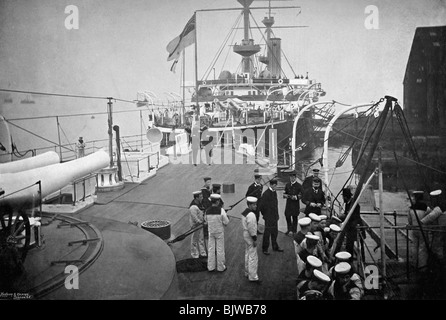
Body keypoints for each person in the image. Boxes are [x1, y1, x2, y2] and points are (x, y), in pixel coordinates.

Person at [259, 179, 284, 255]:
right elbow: (261, 206)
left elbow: (275, 205)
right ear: (273, 185)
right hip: (268, 218)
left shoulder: (274, 192)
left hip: (274, 217)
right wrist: (266, 215)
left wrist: (277, 215)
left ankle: (275, 246)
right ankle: (265, 248)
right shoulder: (266, 194)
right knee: (267, 233)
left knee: (275, 232)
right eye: (276, 186)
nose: (276, 187)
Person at [205, 194, 229, 272]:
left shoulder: (207, 211)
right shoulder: (221, 210)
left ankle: (210, 267)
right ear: (218, 201)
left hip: (211, 232)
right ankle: (221, 267)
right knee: (220, 249)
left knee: (211, 249)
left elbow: (205, 220)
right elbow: (226, 222)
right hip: (219, 232)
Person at [241, 196, 261, 283]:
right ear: (250, 205)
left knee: (247, 253)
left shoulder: (244, 212)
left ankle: (247, 271)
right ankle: (253, 276)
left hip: (245, 234)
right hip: (250, 235)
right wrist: (255, 239)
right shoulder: (251, 215)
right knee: (253, 256)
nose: (256, 206)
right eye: (254, 205)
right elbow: (252, 228)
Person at [407, 190, 429, 270]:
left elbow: (409, 221)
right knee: (422, 247)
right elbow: (429, 219)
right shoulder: (426, 208)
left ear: (415, 198)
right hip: (423, 229)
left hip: (414, 229)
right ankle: (422, 266)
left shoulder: (411, 208)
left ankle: (414, 264)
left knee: (414, 246)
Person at [342, 187, 362, 256]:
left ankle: (349, 257)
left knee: (350, 242)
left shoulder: (354, 204)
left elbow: (356, 217)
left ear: (345, 197)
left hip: (355, 226)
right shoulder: (348, 203)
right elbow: (346, 213)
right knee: (348, 243)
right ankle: (348, 254)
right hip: (350, 225)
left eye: (343, 197)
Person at [283, 170, 303, 236]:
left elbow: (301, 195)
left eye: (293, 177)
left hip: (295, 204)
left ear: (295, 177)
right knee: (287, 216)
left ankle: (294, 231)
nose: (292, 178)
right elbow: (284, 193)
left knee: (295, 217)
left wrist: (296, 197)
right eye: (290, 177)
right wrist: (285, 195)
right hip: (288, 204)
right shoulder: (287, 185)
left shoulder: (299, 186)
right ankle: (289, 230)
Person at [189, 190, 207, 259]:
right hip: (195, 226)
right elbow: (195, 218)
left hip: (200, 225)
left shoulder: (200, 204)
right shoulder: (193, 207)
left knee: (201, 239)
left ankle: (202, 253)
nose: (202, 198)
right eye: (200, 197)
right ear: (196, 198)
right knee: (194, 240)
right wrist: (202, 222)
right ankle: (194, 254)